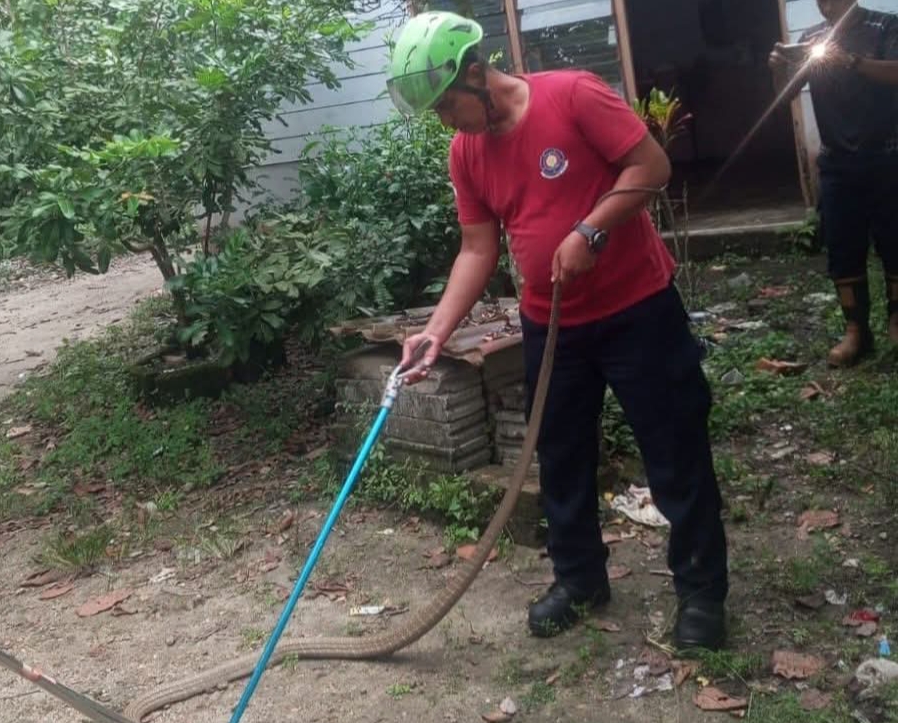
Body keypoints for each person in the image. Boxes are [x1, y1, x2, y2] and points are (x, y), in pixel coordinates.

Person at [385, 11, 729, 651]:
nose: (444, 124)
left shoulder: (572, 95)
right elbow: (476, 250)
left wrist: (592, 229)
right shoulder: (467, 153)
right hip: (553, 326)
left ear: (477, 73)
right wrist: (436, 331)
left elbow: (651, 166)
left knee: (674, 451)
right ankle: (580, 580)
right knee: (562, 459)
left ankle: (702, 593)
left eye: (447, 106)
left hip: (638, 312)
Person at [770, 0, 898, 367]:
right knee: (842, 247)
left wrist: (851, 61)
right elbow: (786, 95)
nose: (825, 5)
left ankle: (896, 319)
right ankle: (855, 331)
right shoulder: (813, 39)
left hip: (887, 154)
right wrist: (778, 69)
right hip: (837, 161)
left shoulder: (884, 26)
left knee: (895, 239)